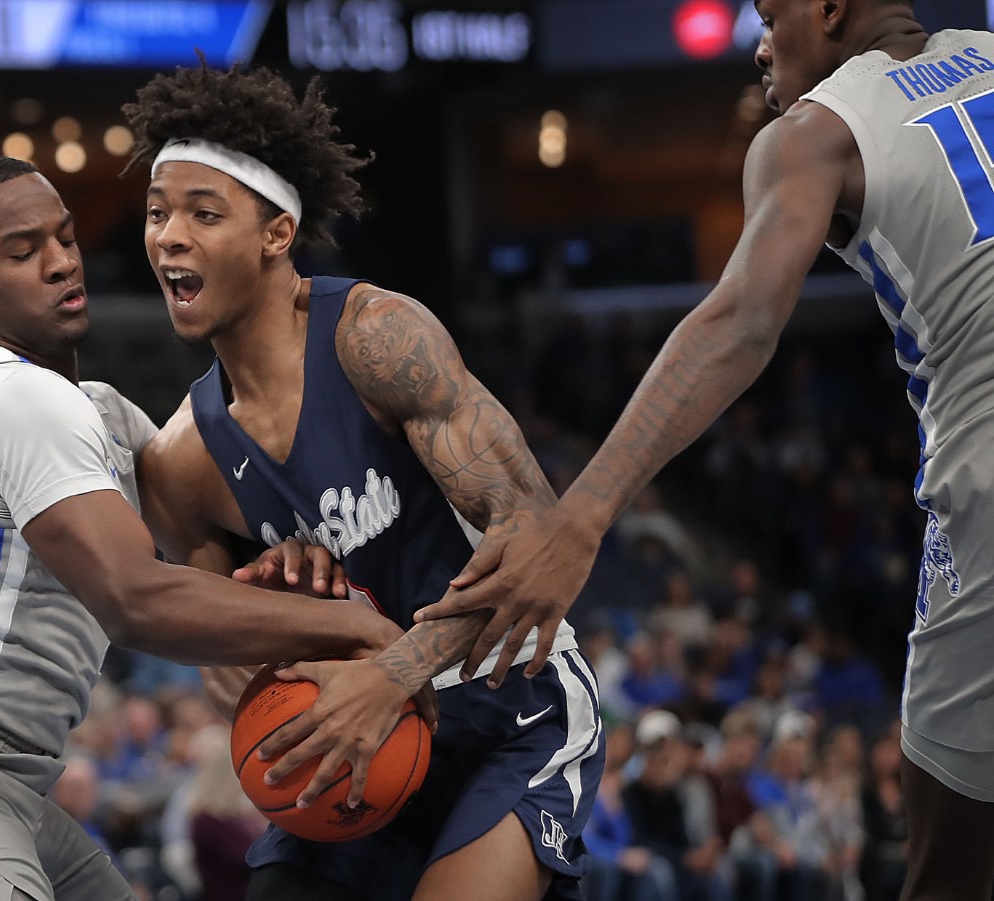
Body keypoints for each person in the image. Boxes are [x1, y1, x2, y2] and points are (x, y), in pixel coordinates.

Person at [417, 1, 994, 897]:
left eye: (769, 14)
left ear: (830, 8)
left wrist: (583, 515)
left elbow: (740, 320)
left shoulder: (814, 133)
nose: (758, 44)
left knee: (949, 871)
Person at [0, 155, 415, 901]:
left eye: (66, 237)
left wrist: (284, 561)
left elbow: (215, 552)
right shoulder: (11, 398)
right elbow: (138, 599)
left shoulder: (96, 410)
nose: (61, 262)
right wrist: (353, 628)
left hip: (11, 782)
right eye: (24, 251)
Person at [120, 63, 603, 900]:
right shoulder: (180, 461)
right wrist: (291, 620)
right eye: (158, 214)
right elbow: (225, 668)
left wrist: (393, 671)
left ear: (277, 233)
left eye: (204, 213)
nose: (168, 236)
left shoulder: (377, 339)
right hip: (357, 736)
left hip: (509, 704)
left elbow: (537, 537)